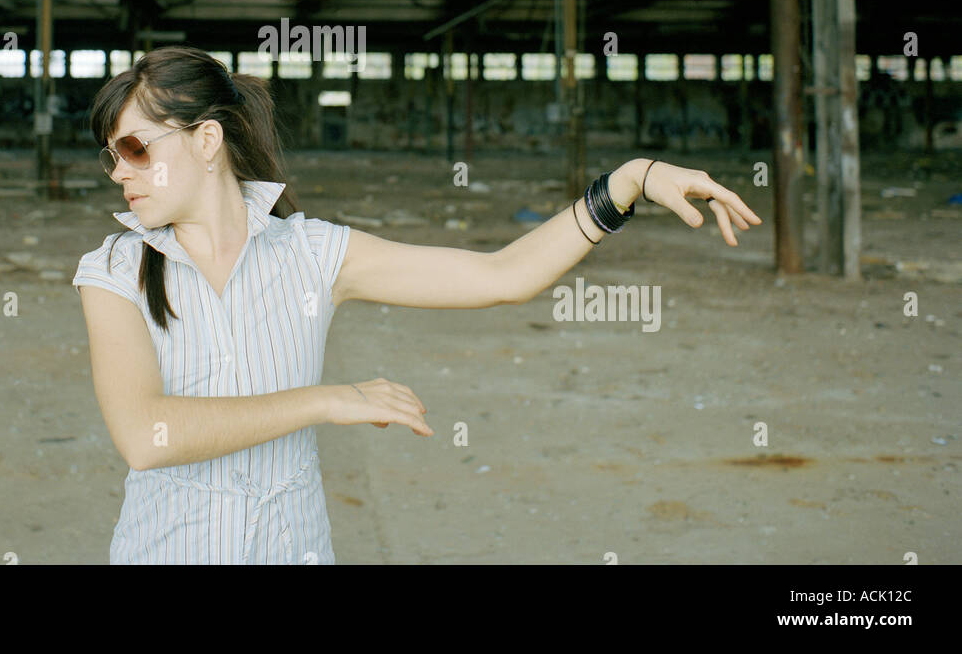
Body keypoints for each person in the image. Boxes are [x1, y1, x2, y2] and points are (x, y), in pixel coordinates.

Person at [72, 46, 761, 564]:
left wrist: (628, 182)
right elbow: (145, 434)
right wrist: (324, 400)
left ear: (207, 139)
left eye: (134, 147)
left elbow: (503, 275)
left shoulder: (314, 253)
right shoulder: (114, 271)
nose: (119, 171)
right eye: (111, 156)